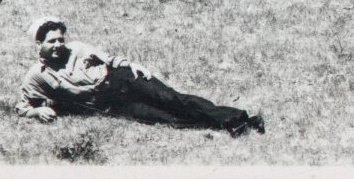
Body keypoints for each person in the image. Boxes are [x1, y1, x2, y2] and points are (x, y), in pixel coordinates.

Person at [17, 17, 263, 135]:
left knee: (173, 100)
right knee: (166, 119)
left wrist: (132, 65)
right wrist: (38, 111)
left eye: (61, 38)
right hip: (112, 103)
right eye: (52, 41)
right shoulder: (36, 76)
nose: (59, 44)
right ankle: (228, 124)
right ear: (39, 44)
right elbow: (22, 106)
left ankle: (241, 117)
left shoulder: (78, 48)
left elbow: (111, 59)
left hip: (123, 78)